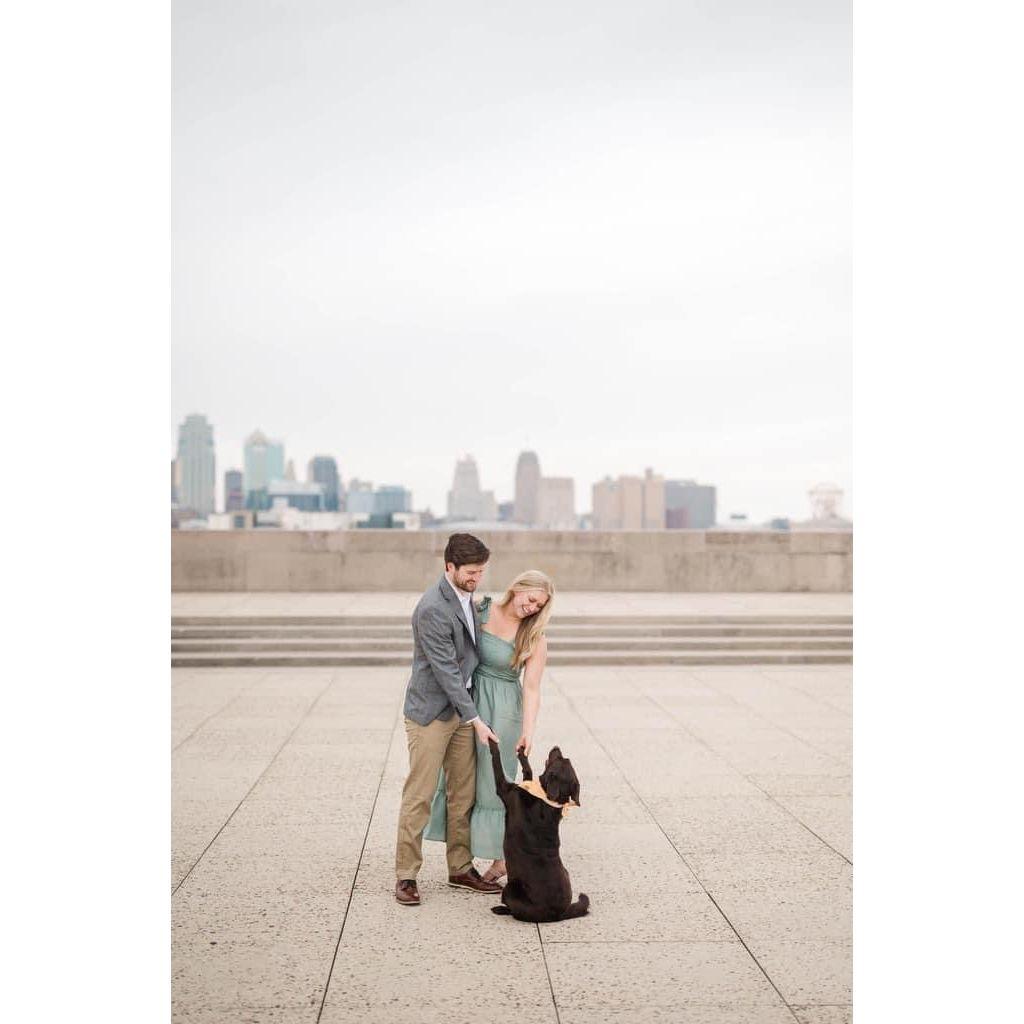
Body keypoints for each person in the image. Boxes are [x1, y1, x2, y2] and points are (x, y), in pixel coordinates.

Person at [424, 569, 555, 885]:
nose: (532, 608)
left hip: (503, 711)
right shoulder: (479, 610)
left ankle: (502, 858)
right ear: (518, 588)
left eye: (539, 606)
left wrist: (528, 731)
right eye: (531, 599)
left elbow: (532, 688)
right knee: (460, 777)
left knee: (495, 782)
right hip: (468, 704)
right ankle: (461, 861)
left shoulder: (534, 636)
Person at [394, 533, 502, 906]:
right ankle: (406, 875)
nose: (476, 578)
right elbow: (446, 673)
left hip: (461, 711)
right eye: (470, 572)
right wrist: (476, 720)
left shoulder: (470, 598)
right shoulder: (432, 608)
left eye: (481, 571)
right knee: (420, 794)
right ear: (449, 567)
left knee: (463, 793)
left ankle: (460, 868)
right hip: (430, 714)